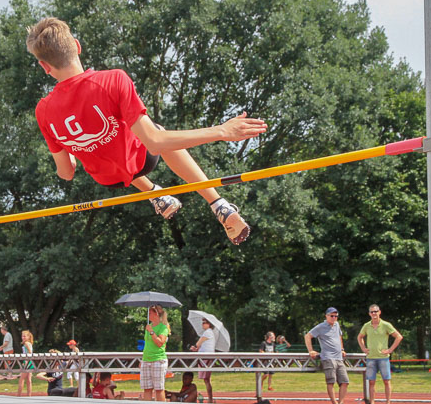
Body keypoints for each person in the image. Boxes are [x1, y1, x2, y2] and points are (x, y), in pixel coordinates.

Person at [26, 17, 267, 245]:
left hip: (109, 179)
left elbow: (66, 173)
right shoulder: (111, 80)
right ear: (77, 46)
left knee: (110, 146)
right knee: (153, 131)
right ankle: (218, 204)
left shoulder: (43, 110)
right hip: (143, 161)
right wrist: (221, 131)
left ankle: (155, 194)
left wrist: (73, 154)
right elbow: (155, 142)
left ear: (44, 66)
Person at [357, 304, 403, 404]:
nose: (374, 313)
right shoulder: (366, 326)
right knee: (371, 382)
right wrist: (363, 348)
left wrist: (390, 350)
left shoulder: (386, 325)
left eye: (376, 311)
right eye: (372, 312)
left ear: (379, 312)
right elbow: (360, 337)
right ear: (369, 314)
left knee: (386, 380)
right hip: (371, 358)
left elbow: (398, 336)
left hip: (383, 358)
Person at [305, 307, 349, 404]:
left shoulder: (337, 325)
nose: (334, 318)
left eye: (336, 316)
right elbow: (307, 336)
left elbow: (339, 337)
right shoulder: (321, 327)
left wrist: (342, 349)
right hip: (328, 357)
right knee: (331, 381)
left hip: (339, 357)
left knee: (345, 381)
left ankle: (341, 403)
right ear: (326, 316)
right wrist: (311, 350)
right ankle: (335, 403)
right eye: (332, 316)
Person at [140, 305, 170, 402]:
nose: (148, 315)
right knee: (147, 388)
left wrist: (152, 332)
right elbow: (147, 344)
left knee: (159, 388)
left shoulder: (163, 327)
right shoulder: (148, 326)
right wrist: (143, 359)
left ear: (156, 314)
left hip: (158, 359)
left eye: (150, 313)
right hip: (146, 359)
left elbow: (160, 343)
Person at [190, 318, 216, 403]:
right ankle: (210, 398)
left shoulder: (208, 332)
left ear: (209, 324)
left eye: (204, 323)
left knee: (206, 379)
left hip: (206, 358)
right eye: (203, 322)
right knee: (206, 379)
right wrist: (196, 349)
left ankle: (210, 399)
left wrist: (195, 347)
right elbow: (201, 346)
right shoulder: (209, 332)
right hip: (205, 357)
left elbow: (198, 343)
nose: (202, 324)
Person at [17, 330, 34, 397]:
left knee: (21, 379)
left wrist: (26, 361)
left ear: (28, 337)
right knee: (28, 380)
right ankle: (29, 395)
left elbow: (29, 352)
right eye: (22, 336)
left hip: (27, 361)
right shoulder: (28, 343)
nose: (23, 337)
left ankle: (18, 395)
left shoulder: (27, 343)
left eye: (24, 336)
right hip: (30, 361)